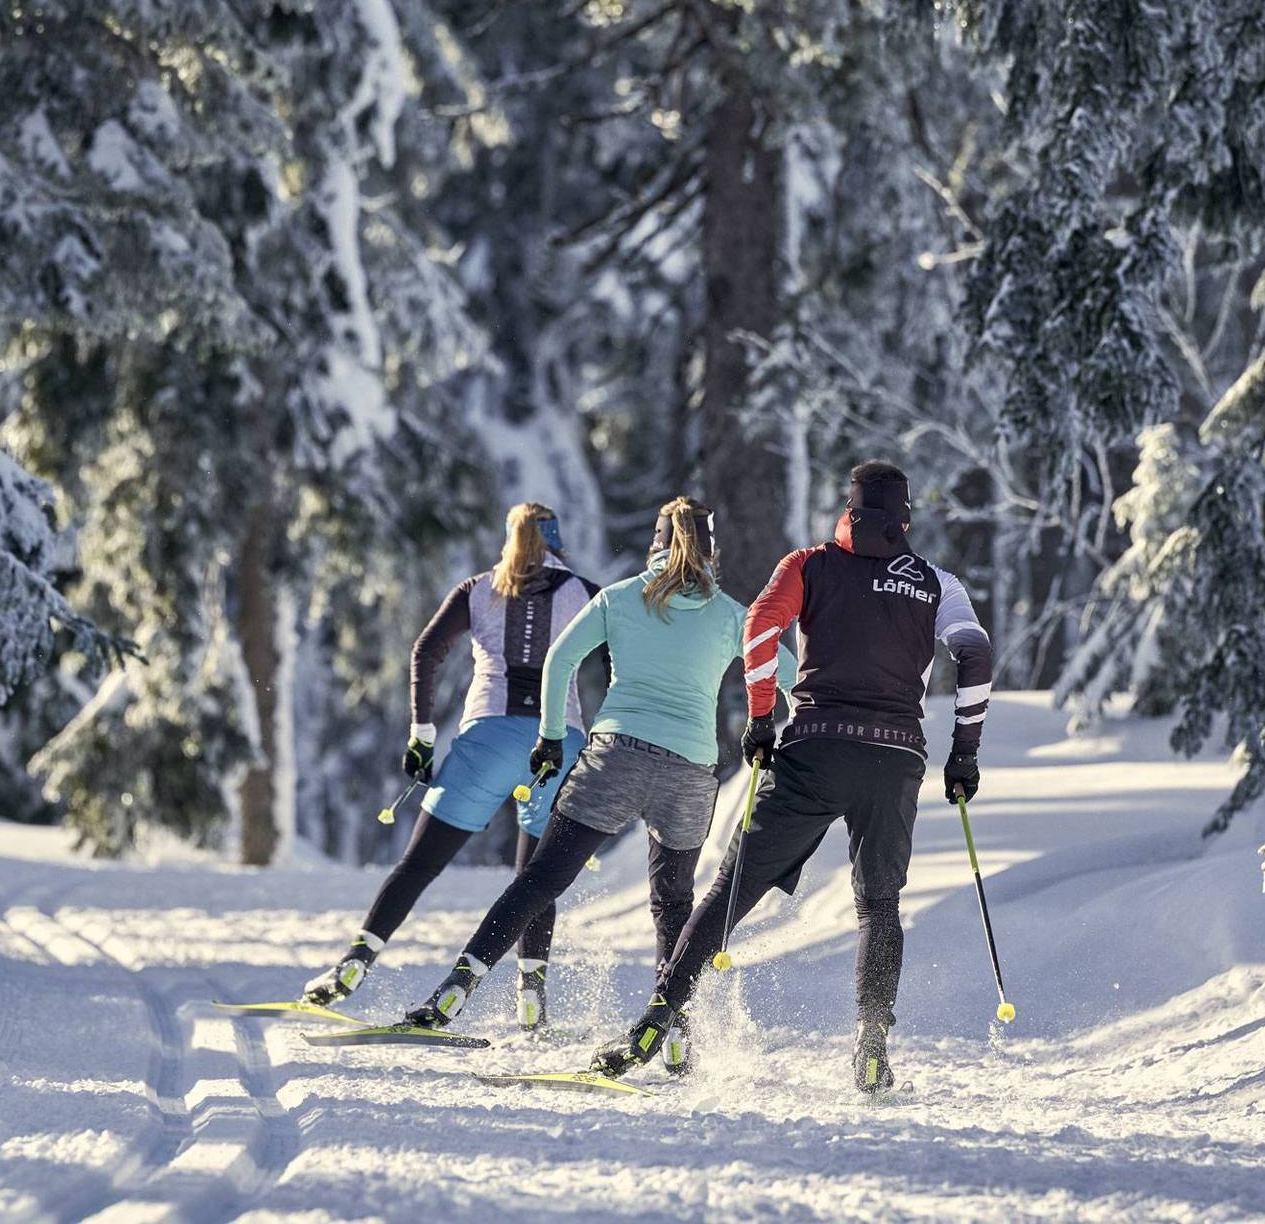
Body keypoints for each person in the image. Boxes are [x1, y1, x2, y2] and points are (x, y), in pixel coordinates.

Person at [588, 461, 994, 1091]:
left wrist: (759, 718)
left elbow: (759, 627)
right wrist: (964, 752)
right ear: (907, 515)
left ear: (849, 509)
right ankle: (871, 1042)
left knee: (729, 890)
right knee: (878, 906)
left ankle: (658, 1018)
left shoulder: (808, 563)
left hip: (814, 750)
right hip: (895, 760)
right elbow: (975, 654)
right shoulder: (939, 585)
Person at [398, 497, 795, 1074]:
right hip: (690, 772)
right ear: (713, 552)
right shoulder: (735, 615)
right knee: (674, 902)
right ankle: (676, 1032)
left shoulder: (619, 596)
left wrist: (551, 738)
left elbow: (560, 662)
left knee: (540, 879)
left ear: (654, 545)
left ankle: (456, 990)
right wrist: (777, 732)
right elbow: (787, 675)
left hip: (615, 757)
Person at [300, 502, 605, 1031]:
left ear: (509, 539)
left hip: (486, 738)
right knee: (533, 879)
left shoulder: (479, 588)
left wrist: (422, 734)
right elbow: (619, 660)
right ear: (558, 540)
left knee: (419, 865)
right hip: (560, 741)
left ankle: (354, 965)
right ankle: (531, 997)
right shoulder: (586, 592)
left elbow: (426, 651)